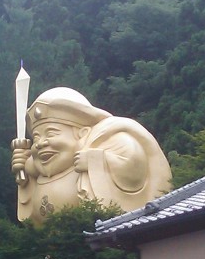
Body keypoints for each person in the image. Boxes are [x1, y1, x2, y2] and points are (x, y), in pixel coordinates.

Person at [11, 87, 171, 223]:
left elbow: (134, 166)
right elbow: (30, 217)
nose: (40, 143)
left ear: (83, 133)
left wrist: (96, 161)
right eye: (37, 137)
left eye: (51, 133)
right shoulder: (38, 168)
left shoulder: (112, 139)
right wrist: (24, 173)